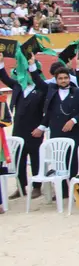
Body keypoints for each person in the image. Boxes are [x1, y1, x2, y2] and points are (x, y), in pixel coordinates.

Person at [32, 66, 79, 197]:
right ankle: (63, 190)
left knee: (74, 159)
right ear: (56, 80)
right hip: (57, 130)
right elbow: (48, 112)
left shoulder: (78, 92)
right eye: (60, 78)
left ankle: (75, 189)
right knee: (59, 160)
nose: (63, 80)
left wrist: (74, 120)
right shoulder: (51, 92)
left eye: (65, 78)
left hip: (74, 131)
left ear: (69, 79)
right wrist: (42, 127)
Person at [0, 58, 47, 200]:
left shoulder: (41, 89)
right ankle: (21, 187)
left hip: (34, 129)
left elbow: (47, 111)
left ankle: (37, 186)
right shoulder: (18, 87)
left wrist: (41, 127)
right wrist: (1, 63)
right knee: (19, 159)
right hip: (19, 129)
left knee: (35, 158)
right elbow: (4, 78)